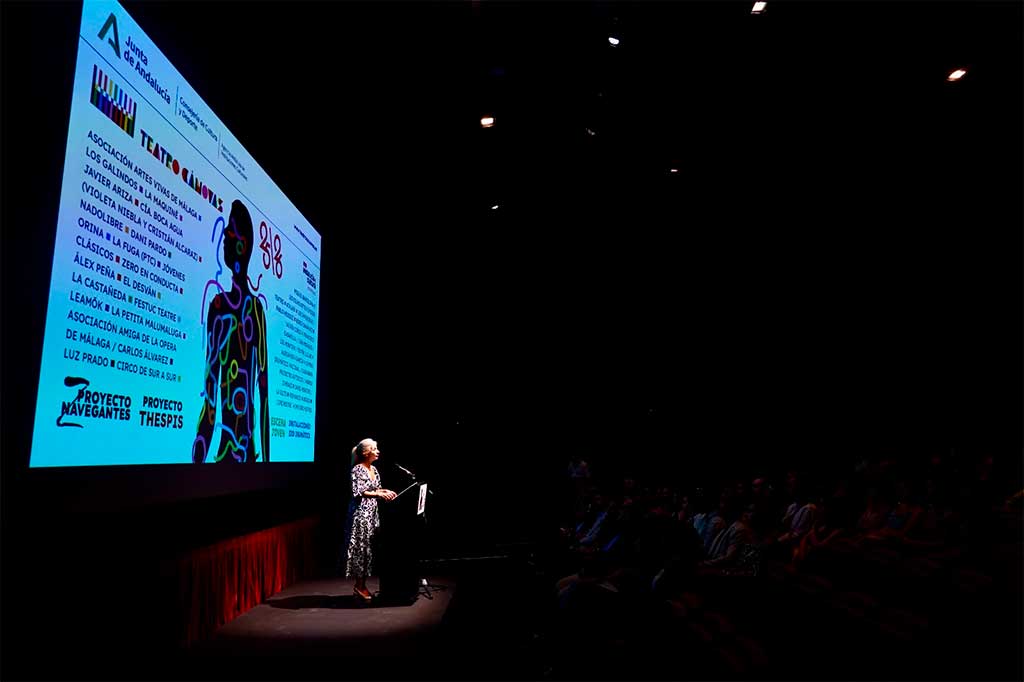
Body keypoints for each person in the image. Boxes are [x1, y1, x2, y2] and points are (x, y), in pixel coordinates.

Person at [192, 200, 270, 463]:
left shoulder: (256, 311)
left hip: (246, 454)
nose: (225, 233)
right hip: (227, 453)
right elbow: (210, 399)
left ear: (242, 245)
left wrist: (267, 467)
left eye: (231, 229)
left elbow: (264, 397)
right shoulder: (218, 306)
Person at [344, 438, 397, 601]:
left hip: (372, 514)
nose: (378, 451)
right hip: (360, 515)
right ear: (366, 453)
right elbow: (359, 492)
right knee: (361, 550)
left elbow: (376, 489)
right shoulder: (357, 469)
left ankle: (361, 585)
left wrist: (385, 491)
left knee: (369, 550)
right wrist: (379, 494)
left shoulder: (374, 469)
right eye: (374, 449)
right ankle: (359, 586)